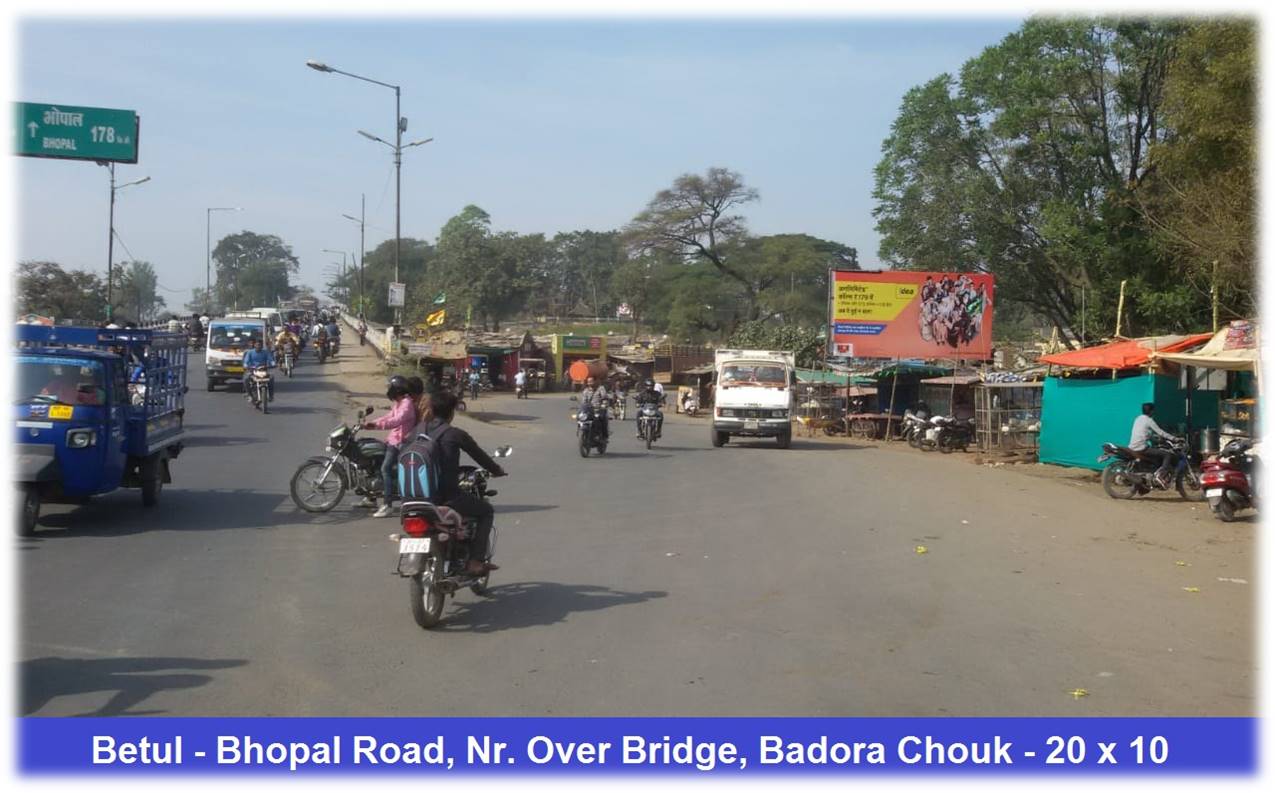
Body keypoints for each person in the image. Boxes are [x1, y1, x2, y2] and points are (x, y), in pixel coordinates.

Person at [414, 390, 507, 574]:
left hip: (414, 498)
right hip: (447, 498)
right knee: (486, 511)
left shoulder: (417, 431)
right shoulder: (454, 434)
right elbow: (480, 457)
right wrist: (497, 471)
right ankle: (475, 561)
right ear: (452, 412)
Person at [364, 375, 418, 518]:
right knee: (375, 463)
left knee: (385, 468)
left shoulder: (407, 404)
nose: (388, 390)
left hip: (401, 443)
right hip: (393, 441)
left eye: (390, 387)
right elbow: (388, 416)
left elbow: (396, 420)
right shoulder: (399, 403)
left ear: (396, 389)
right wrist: (372, 423)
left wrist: (377, 425)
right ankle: (370, 497)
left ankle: (387, 504)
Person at [1130, 402, 1177, 488]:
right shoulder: (1149, 420)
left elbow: (1144, 433)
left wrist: (1154, 439)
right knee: (1167, 454)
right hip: (1141, 447)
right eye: (1153, 411)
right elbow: (1160, 432)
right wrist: (1174, 438)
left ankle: (1152, 473)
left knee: (1155, 451)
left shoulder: (1138, 419)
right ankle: (1161, 475)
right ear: (1151, 411)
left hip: (1133, 446)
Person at [579, 375, 610, 441]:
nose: (590, 383)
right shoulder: (586, 391)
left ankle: (604, 436)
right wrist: (581, 408)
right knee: (581, 418)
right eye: (588, 382)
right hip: (589, 410)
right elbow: (584, 402)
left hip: (599, 410)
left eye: (591, 381)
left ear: (595, 381)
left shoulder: (601, 388)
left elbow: (605, 397)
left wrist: (604, 405)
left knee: (602, 420)